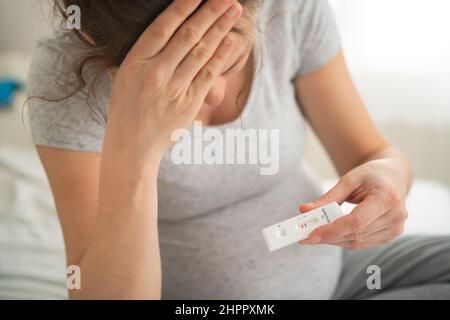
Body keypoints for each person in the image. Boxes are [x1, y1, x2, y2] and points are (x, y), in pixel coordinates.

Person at [27, 0, 450, 299]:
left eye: (226, 63)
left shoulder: (290, 12)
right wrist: (136, 145)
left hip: (342, 276)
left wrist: (388, 176)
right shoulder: (68, 80)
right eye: (174, 75)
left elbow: (372, 153)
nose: (211, 97)